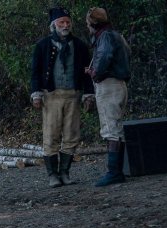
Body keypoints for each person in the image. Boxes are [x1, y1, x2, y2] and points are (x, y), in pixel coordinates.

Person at [30, 7, 94, 188]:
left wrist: (88, 95)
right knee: (51, 135)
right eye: (61, 22)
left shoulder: (79, 46)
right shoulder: (43, 45)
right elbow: (35, 72)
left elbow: (87, 72)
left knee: (71, 135)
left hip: (73, 95)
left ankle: (65, 173)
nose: (65, 25)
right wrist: (36, 94)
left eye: (67, 22)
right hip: (51, 96)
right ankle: (52, 175)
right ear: (54, 25)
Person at [85, 7, 133, 187]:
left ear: (92, 22)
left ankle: (114, 172)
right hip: (119, 84)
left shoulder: (104, 36)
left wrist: (95, 73)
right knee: (116, 126)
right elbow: (126, 53)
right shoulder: (115, 35)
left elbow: (104, 56)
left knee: (111, 128)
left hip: (109, 85)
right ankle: (116, 171)